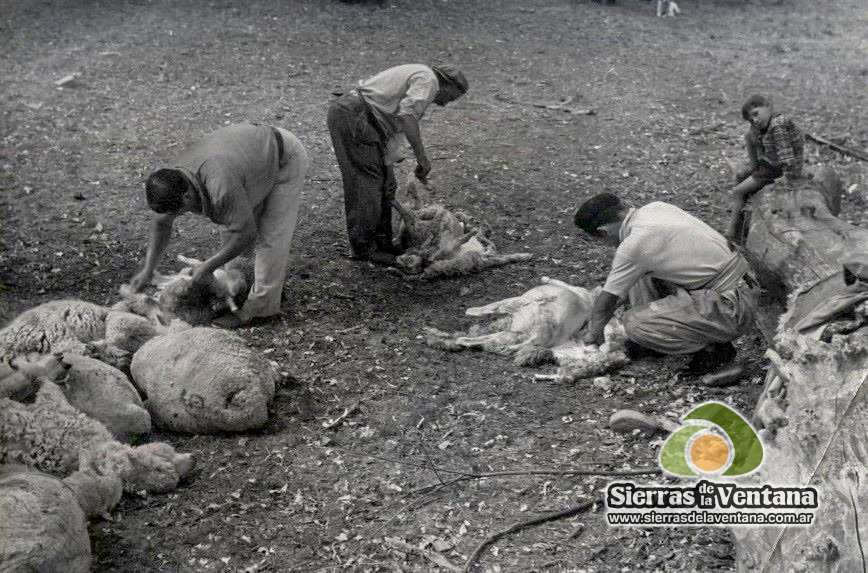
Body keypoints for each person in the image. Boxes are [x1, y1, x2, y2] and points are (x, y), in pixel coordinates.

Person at [128, 123, 309, 328]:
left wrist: (209, 265)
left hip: (284, 156)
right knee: (232, 223)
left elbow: (245, 233)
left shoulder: (220, 187)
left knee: (270, 235)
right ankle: (239, 288)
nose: (175, 217)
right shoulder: (169, 180)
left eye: (178, 212)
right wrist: (148, 270)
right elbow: (161, 224)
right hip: (251, 156)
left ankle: (262, 308)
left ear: (187, 196)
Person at [575, 193, 758, 375]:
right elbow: (615, 293)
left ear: (603, 232)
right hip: (742, 282)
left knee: (634, 324)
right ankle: (659, 336)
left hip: (732, 306)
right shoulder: (656, 207)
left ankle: (714, 353)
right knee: (638, 275)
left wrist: (593, 335)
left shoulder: (634, 244)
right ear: (625, 205)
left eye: (603, 241)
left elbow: (608, 301)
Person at [327, 63, 468, 265]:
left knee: (385, 185)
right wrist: (422, 158)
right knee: (366, 185)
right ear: (447, 84)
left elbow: (393, 127)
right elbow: (406, 117)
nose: (445, 103)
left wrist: (388, 167)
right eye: (451, 97)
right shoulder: (428, 79)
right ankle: (365, 248)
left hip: (367, 120)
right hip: (355, 117)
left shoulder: (419, 76)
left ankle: (383, 244)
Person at [725, 94, 805, 242]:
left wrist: (787, 180)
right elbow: (763, 146)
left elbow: (786, 155)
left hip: (778, 169)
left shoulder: (778, 125)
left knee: (738, 191)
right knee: (741, 176)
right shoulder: (765, 125)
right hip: (770, 164)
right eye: (751, 119)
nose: (755, 120)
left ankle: (732, 232)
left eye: (756, 114)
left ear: (768, 106)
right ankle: (741, 213)